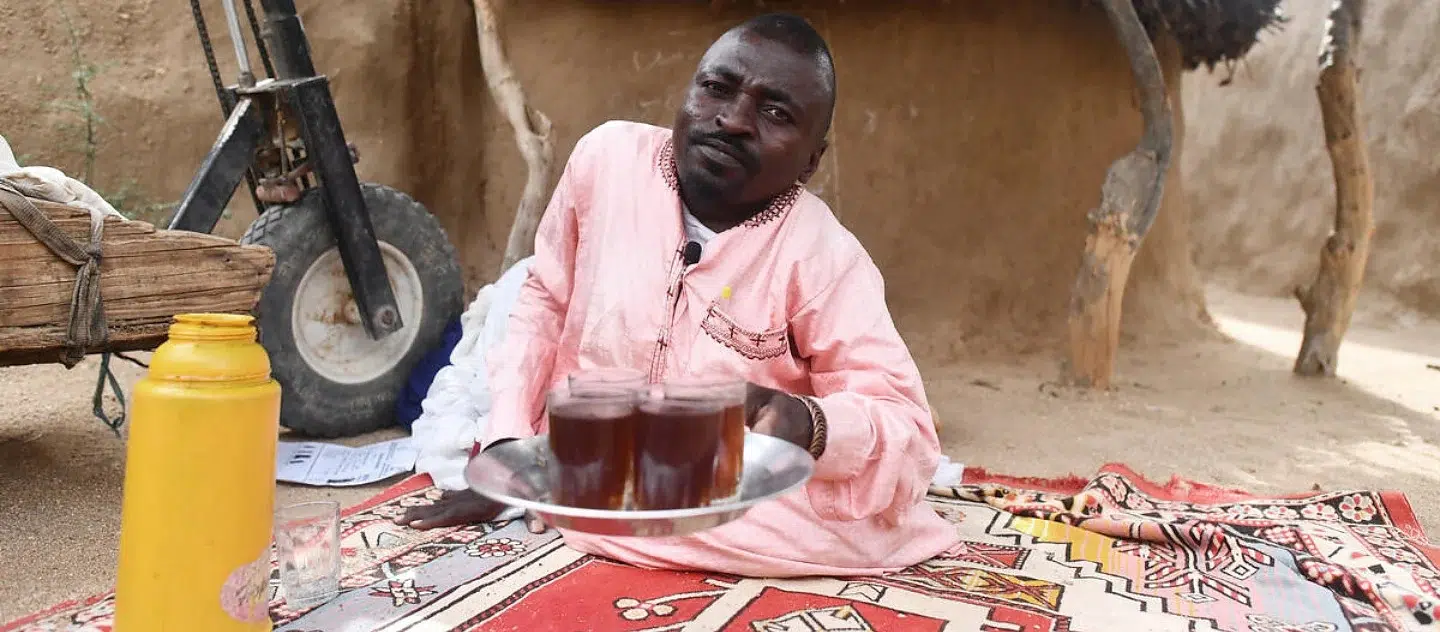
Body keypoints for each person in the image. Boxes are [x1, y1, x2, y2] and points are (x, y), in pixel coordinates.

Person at [397, 13, 960, 577]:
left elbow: (908, 431)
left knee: (858, 520)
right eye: (716, 87)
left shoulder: (825, 257)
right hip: (583, 444)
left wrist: (807, 422)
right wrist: (506, 448)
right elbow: (545, 302)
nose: (733, 120)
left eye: (776, 113)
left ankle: (593, 513)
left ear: (811, 160)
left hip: (728, 479)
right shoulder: (605, 162)